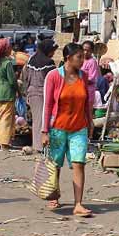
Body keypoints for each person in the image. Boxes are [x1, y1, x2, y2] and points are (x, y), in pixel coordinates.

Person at [42, 43, 95, 217]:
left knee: (79, 164)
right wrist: (44, 131)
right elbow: (48, 105)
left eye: (83, 56)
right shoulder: (54, 76)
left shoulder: (84, 76)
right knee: (55, 165)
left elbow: (87, 101)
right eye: (79, 57)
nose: (82, 60)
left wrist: (90, 121)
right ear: (68, 58)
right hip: (58, 128)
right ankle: (53, 195)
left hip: (79, 128)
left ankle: (78, 204)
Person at [21, 39, 57, 151]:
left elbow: (24, 78)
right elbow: (52, 80)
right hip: (43, 94)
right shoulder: (48, 63)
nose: (53, 53)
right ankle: (40, 146)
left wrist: (26, 93)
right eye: (53, 51)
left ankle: (38, 144)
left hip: (32, 93)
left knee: (37, 120)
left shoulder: (31, 60)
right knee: (42, 120)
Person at [0, 38, 17, 150]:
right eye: (10, 47)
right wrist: (18, 89)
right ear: (6, 49)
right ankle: (4, 143)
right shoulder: (7, 63)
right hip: (7, 93)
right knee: (6, 118)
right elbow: (12, 80)